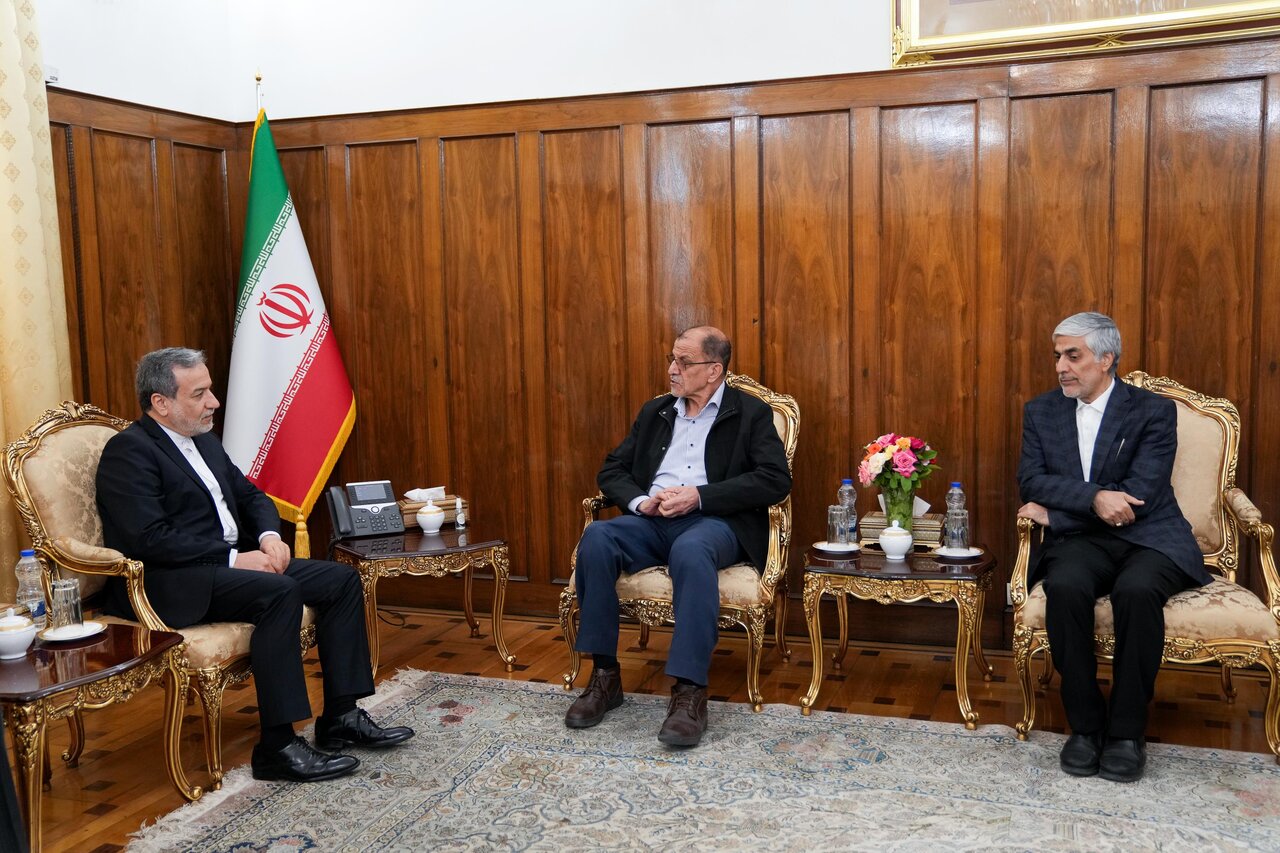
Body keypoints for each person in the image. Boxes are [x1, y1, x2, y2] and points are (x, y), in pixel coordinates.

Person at [95, 347, 414, 783]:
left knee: (340, 580)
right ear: (160, 402)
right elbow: (149, 538)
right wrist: (233, 557)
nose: (214, 402)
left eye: (210, 390)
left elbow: (251, 496)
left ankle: (341, 716)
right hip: (175, 581)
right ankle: (277, 746)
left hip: (233, 563)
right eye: (199, 394)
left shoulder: (204, 442)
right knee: (279, 592)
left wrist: (268, 537)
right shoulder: (129, 451)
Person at [566, 325, 792, 748]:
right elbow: (612, 469)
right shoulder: (656, 411)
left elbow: (774, 479)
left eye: (683, 362)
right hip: (652, 522)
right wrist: (641, 503)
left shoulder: (751, 413)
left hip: (715, 523)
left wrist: (700, 496)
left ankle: (690, 692)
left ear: (713, 370)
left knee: (691, 549)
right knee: (597, 536)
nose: (672, 369)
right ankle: (605, 677)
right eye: (672, 359)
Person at [1017, 312, 1208, 783]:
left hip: (1150, 537)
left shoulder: (1152, 411)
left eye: (1073, 355)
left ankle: (1126, 733)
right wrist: (1095, 498)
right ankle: (1085, 728)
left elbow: (1139, 495)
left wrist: (1059, 514)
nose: (1061, 366)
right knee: (1065, 585)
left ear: (1106, 359)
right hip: (1084, 542)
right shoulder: (1041, 411)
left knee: (1136, 591)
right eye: (1057, 356)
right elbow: (1032, 481)